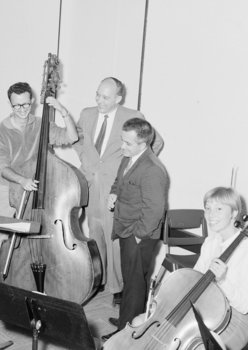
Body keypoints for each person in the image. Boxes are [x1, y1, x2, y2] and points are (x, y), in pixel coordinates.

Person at [73, 77, 164, 302]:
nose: (99, 100)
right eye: (97, 95)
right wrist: (87, 160)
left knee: (116, 240)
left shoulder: (133, 116)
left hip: (116, 188)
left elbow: (156, 143)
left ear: (118, 98)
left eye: (105, 97)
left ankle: (120, 289)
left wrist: (132, 172)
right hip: (93, 186)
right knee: (96, 235)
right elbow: (76, 140)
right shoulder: (86, 114)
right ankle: (101, 279)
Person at [0, 81, 78, 279]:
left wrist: (64, 112)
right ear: (10, 104)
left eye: (26, 104)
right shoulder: (1, 130)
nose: (22, 110)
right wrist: (21, 180)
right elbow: (1, 166)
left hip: (32, 187)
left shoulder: (40, 125)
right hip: (7, 187)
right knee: (4, 237)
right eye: (16, 106)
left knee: (29, 238)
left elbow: (70, 137)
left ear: (32, 101)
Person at [102, 118, 167, 341]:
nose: (122, 147)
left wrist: (138, 236)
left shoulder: (152, 170)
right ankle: (126, 320)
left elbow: (155, 210)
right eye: (122, 141)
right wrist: (114, 194)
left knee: (135, 286)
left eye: (127, 143)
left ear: (144, 144)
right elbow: (118, 183)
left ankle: (125, 335)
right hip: (126, 229)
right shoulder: (129, 158)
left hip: (138, 234)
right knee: (130, 282)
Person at [193, 187, 248, 350]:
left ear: (234, 213)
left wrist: (223, 281)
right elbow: (194, 279)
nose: (210, 215)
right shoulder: (210, 243)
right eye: (207, 208)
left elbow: (245, 305)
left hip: (235, 320)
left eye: (218, 209)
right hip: (207, 309)